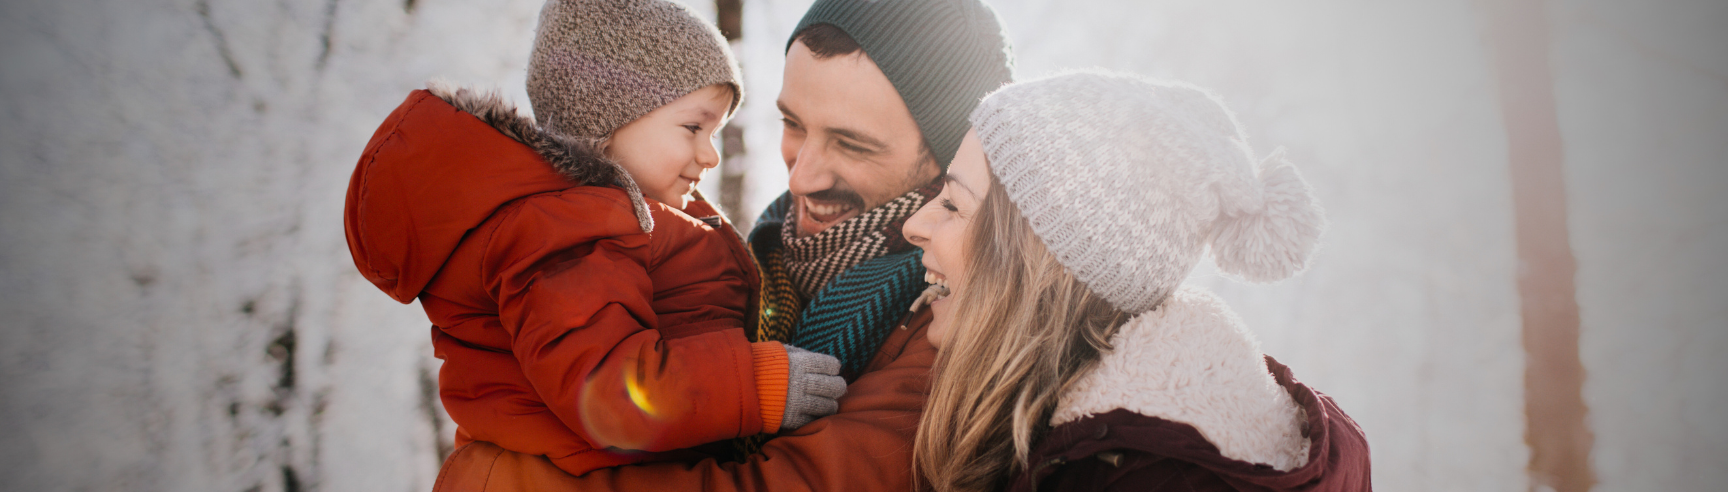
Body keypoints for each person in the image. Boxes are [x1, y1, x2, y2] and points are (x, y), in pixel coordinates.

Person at [429, 0, 1017, 490]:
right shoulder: (752, 257)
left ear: (950, 158)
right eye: (792, 124)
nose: (801, 176)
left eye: (853, 145)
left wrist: (500, 476)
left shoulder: (955, 320)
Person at [342, 0, 847, 478]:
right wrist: (757, 384)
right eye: (693, 127)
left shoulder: (609, 218)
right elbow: (606, 388)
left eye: (714, 133)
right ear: (607, 118)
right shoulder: (563, 234)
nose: (709, 156)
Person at [903, 72, 1373, 492]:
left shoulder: (1146, 477)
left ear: (1037, 265)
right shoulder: (1073, 446)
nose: (913, 225)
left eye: (953, 205)